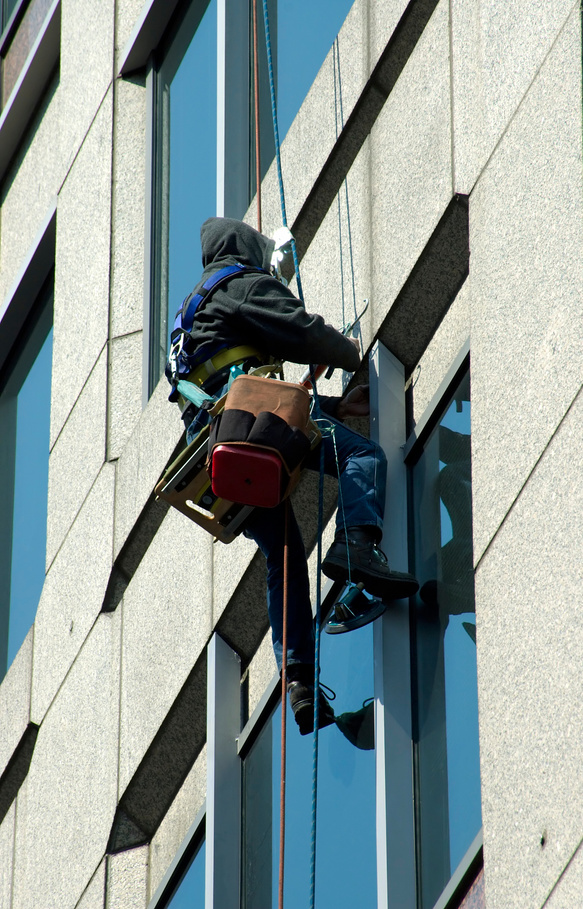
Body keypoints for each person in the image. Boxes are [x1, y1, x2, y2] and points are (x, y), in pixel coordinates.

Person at [167, 217, 419, 734]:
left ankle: (298, 678)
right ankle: (356, 547)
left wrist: (332, 405)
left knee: (282, 551)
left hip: (220, 449)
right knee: (363, 458)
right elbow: (301, 332)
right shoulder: (238, 283)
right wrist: (349, 353)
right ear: (247, 250)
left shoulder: (187, 318)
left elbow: (229, 384)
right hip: (256, 430)